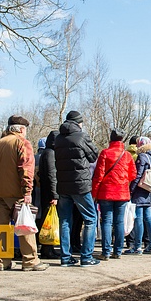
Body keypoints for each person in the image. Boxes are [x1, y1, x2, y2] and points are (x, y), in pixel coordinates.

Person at [0, 115, 49, 271]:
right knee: (25, 225)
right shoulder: (22, 143)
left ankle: (2, 262)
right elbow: (26, 170)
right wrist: (27, 191)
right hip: (18, 193)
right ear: (21, 129)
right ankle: (30, 260)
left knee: (1, 227)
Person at [54, 110, 100, 267]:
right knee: (90, 218)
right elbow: (94, 156)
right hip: (80, 185)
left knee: (65, 220)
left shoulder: (58, 138)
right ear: (79, 123)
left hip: (63, 185)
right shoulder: (82, 136)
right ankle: (86, 257)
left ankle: (65, 258)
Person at [92, 128, 137, 260]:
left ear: (111, 139)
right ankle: (117, 251)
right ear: (122, 140)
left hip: (106, 192)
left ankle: (106, 252)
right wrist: (123, 181)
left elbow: (99, 175)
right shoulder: (127, 155)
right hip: (122, 193)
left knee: (106, 221)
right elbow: (133, 174)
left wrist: (94, 193)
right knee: (119, 222)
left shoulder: (105, 153)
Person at [125, 137, 151, 255]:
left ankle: (137, 246)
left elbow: (138, 175)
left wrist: (131, 190)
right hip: (148, 190)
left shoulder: (142, 157)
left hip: (139, 191)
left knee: (138, 218)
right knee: (148, 218)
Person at [37, 130, 60, 259]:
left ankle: (48, 247)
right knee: (48, 222)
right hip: (49, 193)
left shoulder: (46, 153)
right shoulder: (50, 154)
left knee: (47, 220)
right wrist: (55, 195)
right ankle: (47, 249)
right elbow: (52, 175)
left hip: (46, 191)